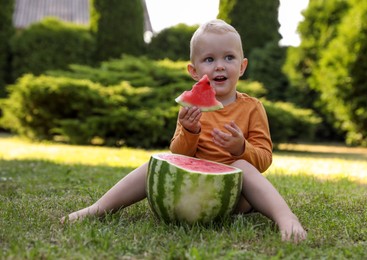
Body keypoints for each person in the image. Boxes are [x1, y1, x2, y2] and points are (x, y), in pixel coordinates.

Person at [62, 19, 307, 243]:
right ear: (194, 71)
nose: (220, 66)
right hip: (190, 191)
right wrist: (190, 131)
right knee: (157, 162)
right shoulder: (191, 108)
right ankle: (97, 209)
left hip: (235, 198)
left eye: (229, 58)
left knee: (243, 167)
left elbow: (264, 160)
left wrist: (241, 148)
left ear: (242, 67)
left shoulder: (253, 108)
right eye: (209, 60)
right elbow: (179, 155)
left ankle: (286, 219)